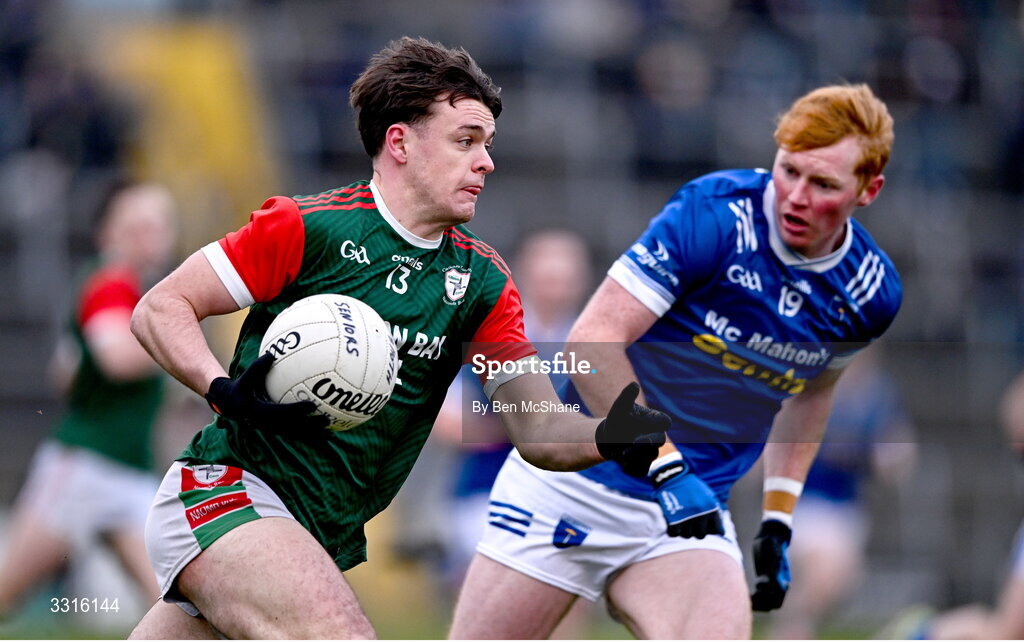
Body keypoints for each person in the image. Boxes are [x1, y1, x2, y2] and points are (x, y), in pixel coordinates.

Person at [127, 37, 668, 640]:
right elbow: (161, 307)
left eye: (487, 145)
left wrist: (606, 433)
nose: (486, 161)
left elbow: (537, 426)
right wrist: (221, 388)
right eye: (466, 141)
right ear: (400, 142)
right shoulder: (309, 228)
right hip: (226, 492)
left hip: (313, 531)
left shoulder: (483, 284)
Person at [450, 83, 902, 639]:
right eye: (789, 171)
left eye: (824, 184)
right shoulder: (714, 215)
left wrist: (779, 519)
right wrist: (668, 464)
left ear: (869, 189)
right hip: (574, 485)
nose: (796, 197)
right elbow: (591, 342)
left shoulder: (868, 294)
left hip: (686, 516)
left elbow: (811, 392)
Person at [0, 181, 177, 620]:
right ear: (108, 233)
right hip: (85, 468)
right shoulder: (112, 282)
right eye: (138, 225)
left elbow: (64, 373)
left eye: (159, 225)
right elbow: (116, 358)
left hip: (126, 470)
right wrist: (181, 340)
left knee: (173, 606)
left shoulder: (129, 290)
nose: (152, 235)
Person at [767, 344, 916, 639]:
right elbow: (777, 428)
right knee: (827, 574)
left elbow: (896, 444)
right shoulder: (811, 385)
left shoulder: (878, 395)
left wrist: (895, 458)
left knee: (835, 583)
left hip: (846, 508)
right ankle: (790, 630)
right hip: (801, 503)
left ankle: (790, 631)